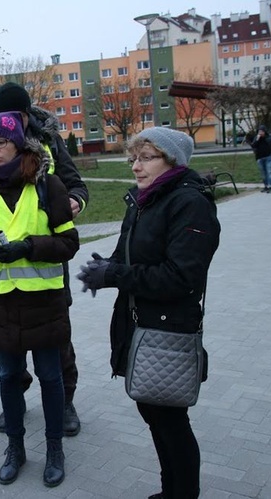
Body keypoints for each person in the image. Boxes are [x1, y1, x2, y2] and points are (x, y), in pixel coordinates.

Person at [76, 127, 220, 499]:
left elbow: (182, 278)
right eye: (133, 159)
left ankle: (183, 494)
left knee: (170, 421)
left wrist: (116, 275)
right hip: (141, 323)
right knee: (154, 414)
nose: (136, 167)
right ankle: (170, 490)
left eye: (146, 157)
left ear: (172, 161)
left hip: (168, 330)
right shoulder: (146, 199)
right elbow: (134, 257)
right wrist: (104, 267)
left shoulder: (190, 203)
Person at [0, 81, 88, 437]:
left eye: (16, 116)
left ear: (27, 115)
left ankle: (65, 401)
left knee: (56, 336)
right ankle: (16, 399)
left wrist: (71, 201)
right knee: (8, 339)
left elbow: (76, 184)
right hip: (0, 264)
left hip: (46, 256)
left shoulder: (48, 140)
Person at [249, 124, 271, 193]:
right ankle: (266, 186)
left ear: (265, 131)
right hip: (260, 158)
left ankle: (270, 186)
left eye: (262, 131)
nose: (260, 133)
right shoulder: (257, 138)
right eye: (259, 131)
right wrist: (257, 139)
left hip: (268, 157)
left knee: (269, 171)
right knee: (263, 173)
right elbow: (253, 146)